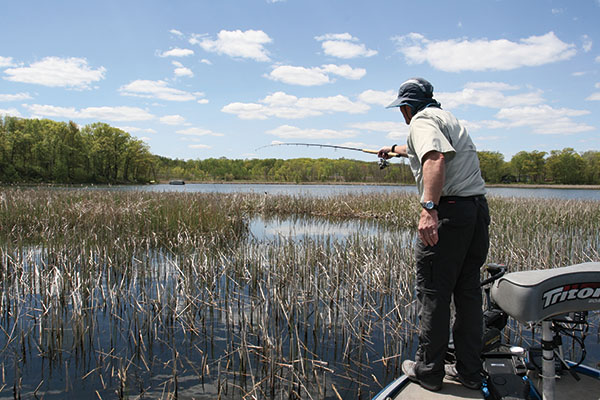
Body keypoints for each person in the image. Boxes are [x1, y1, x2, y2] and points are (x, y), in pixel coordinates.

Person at [378, 78, 490, 392]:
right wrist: (393, 150)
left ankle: (428, 370)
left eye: (401, 110)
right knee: (467, 292)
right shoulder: (447, 118)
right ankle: (469, 370)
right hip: (475, 211)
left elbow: (434, 158)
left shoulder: (420, 121)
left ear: (405, 108)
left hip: (449, 214)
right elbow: (426, 149)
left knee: (433, 294)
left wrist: (429, 208)